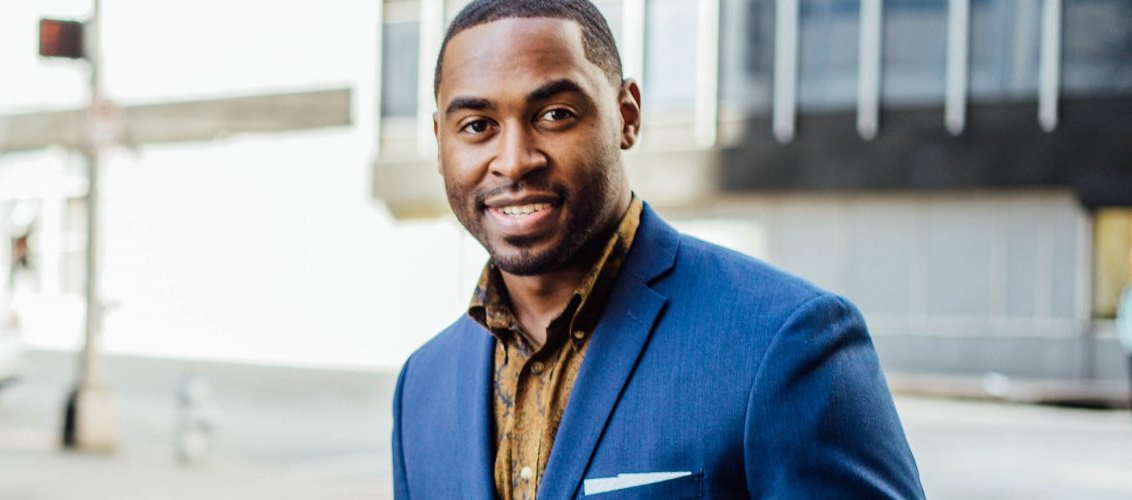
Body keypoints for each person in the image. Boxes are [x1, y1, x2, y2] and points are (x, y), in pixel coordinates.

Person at [391, 1, 925, 498]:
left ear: (627, 115)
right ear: (440, 141)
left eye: (554, 114)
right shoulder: (421, 388)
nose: (514, 160)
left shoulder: (785, 342)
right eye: (477, 126)